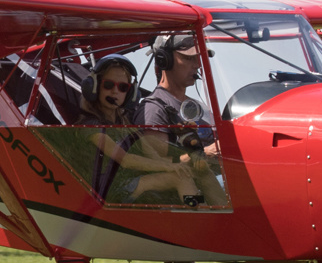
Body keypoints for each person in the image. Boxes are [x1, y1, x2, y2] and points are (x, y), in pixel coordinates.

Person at [75, 55, 206, 206]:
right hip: (106, 192)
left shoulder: (125, 124)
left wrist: (181, 165)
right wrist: (169, 167)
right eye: (108, 85)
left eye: (123, 87)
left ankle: (205, 208)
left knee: (187, 173)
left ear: (130, 94)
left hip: (130, 184)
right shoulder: (91, 126)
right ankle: (201, 214)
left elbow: (151, 155)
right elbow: (125, 160)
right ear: (94, 86)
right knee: (180, 178)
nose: (115, 92)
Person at [133, 33, 228, 206]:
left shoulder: (199, 107)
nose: (197, 65)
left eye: (198, 58)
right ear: (165, 60)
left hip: (220, 187)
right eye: (189, 58)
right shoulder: (154, 109)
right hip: (190, 198)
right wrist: (206, 154)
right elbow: (156, 165)